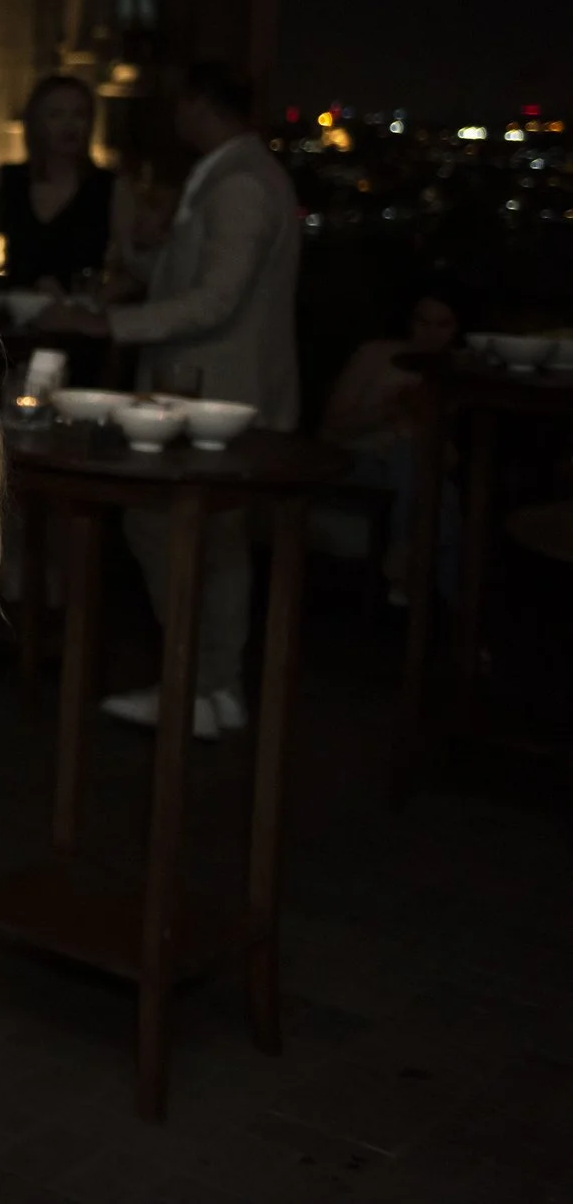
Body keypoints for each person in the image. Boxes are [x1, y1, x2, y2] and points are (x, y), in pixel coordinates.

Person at [40, 62, 301, 739]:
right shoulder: (229, 175)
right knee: (201, 541)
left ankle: (204, 687)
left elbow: (217, 300)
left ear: (196, 104)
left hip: (218, 396)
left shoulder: (240, 183)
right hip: (208, 391)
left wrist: (109, 324)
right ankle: (208, 688)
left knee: (186, 534)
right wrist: (143, 253)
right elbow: (193, 281)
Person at [321, 287, 464, 598]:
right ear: (410, 321)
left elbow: (450, 459)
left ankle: (409, 568)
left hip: (411, 467)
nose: (430, 333)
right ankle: (447, 607)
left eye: (442, 325)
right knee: (432, 485)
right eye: (422, 322)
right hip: (357, 461)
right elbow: (330, 431)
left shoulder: (454, 373)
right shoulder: (374, 355)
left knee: (439, 489)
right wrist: (387, 411)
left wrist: (421, 425)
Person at [0, 73, 136, 292]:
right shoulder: (6, 181)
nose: (69, 126)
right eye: (56, 115)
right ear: (36, 122)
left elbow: (132, 265)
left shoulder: (110, 187)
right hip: (16, 306)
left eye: (79, 114)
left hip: (80, 307)